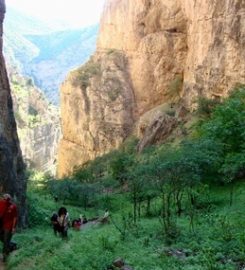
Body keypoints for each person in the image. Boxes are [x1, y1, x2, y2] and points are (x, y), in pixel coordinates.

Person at [0, 194, 17, 262]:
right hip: (1, 225)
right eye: (4, 198)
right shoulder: (1, 204)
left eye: (7, 198)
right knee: (4, 239)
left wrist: (13, 227)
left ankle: (4, 255)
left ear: (10, 199)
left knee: (6, 240)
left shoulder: (13, 206)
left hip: (8, 225)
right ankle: (12, 245)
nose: (5, 199)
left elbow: (15, 217)